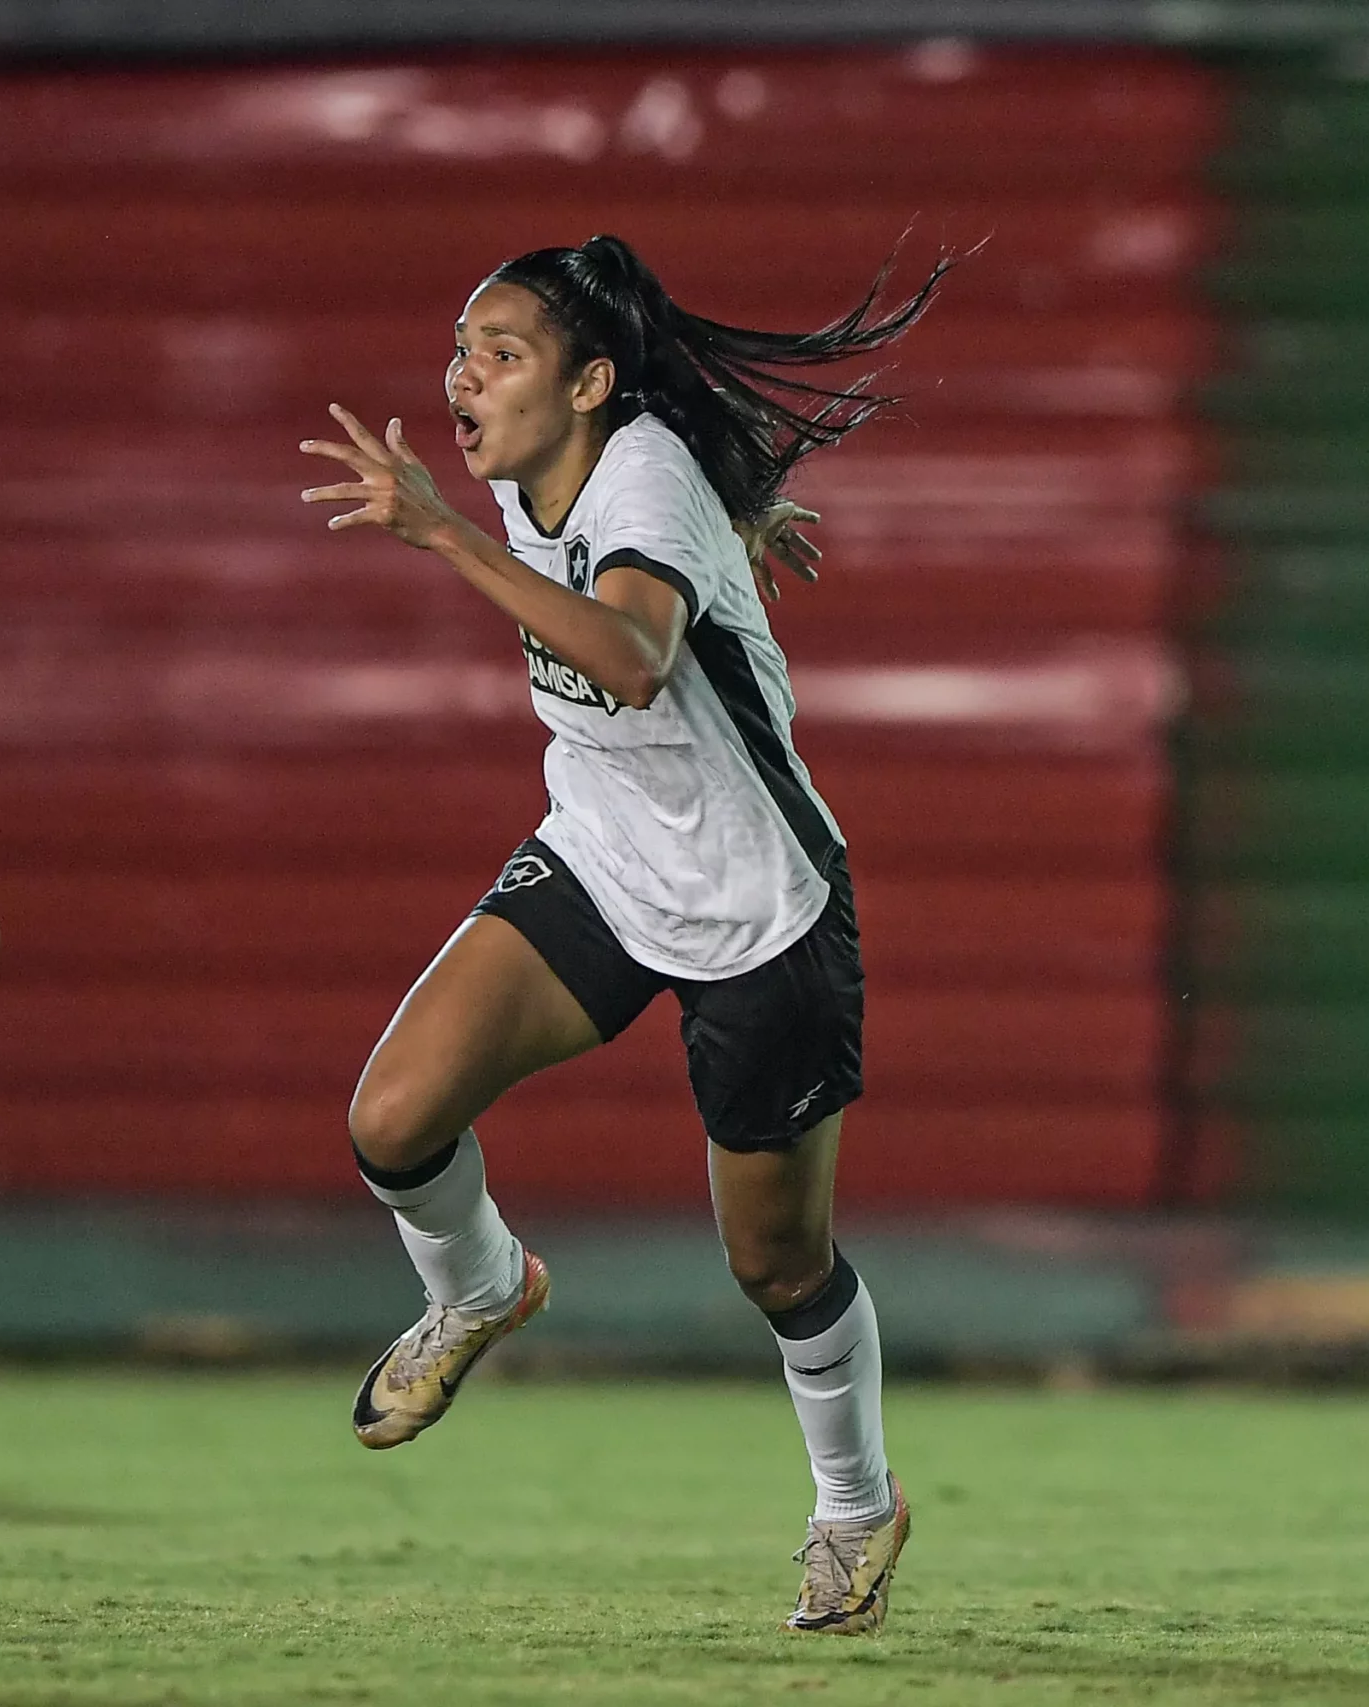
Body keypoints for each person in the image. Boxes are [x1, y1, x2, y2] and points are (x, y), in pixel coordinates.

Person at [300, 234, 943, 1637]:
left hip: (757, 907)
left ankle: (856, 1503)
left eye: (503, 353)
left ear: (592, 382)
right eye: (462, 348)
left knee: (776, 1264)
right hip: (600, 856)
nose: (464, 377)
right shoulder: (574, 465)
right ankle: (478, 1287)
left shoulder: (635, 470)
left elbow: (633, 656)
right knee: (394, 1115)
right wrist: (742, 526)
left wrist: (443, 534)